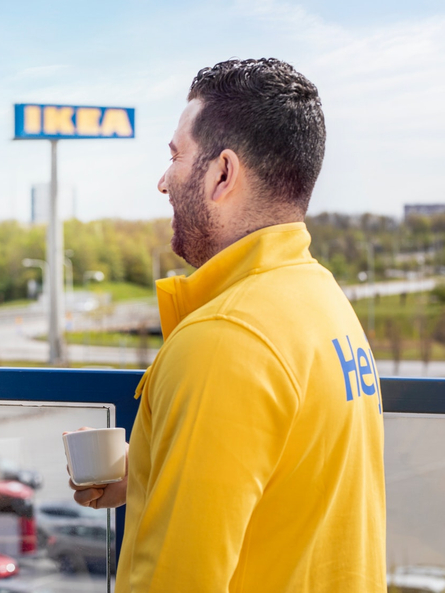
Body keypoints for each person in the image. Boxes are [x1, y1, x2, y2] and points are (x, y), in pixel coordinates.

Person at [69, 58, 386, 591]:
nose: (163, 181)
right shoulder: (321, 300)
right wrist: (148, 470)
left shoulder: (224, 341)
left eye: (175, 156)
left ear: (222, 173)